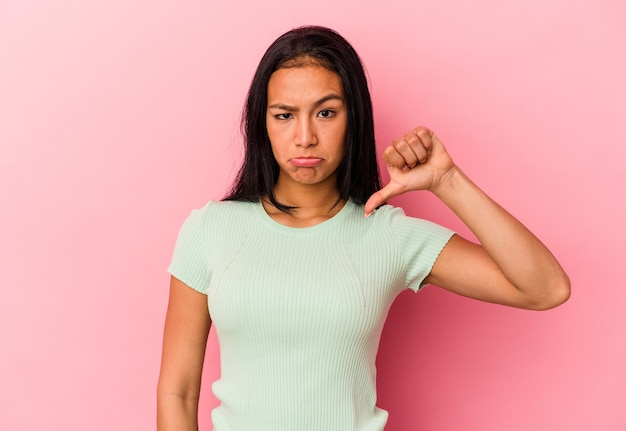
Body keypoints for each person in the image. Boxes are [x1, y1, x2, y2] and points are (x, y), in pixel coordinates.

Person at [156, 25, 570, 431]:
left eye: (326, 113)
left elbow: (545, 288)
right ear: (262, 123)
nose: (305, 137)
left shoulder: (387, 234)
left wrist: (447, 181)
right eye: (284, 115)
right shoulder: (211, 229)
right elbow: (178, 391)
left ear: (353, 119)